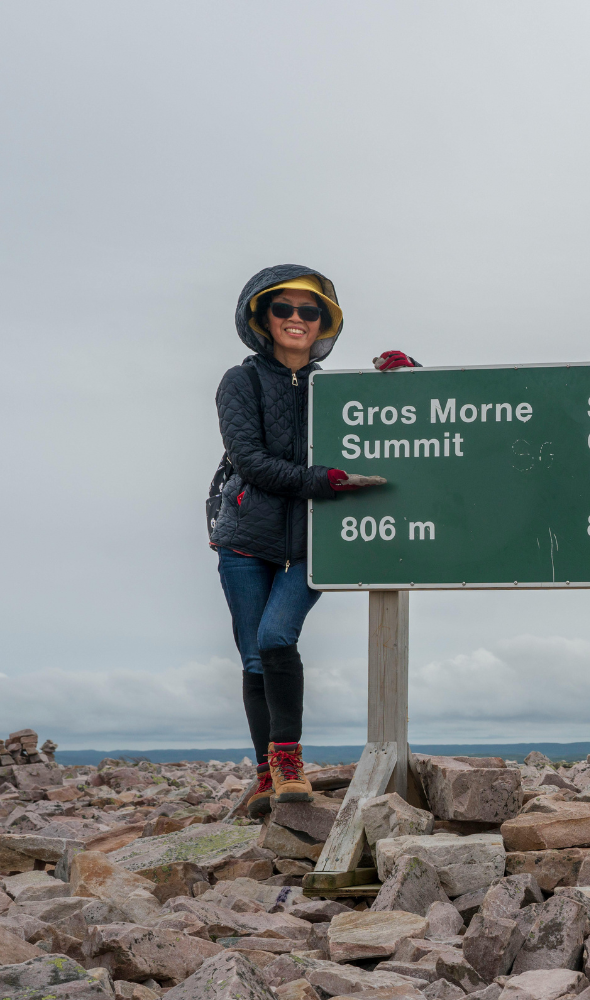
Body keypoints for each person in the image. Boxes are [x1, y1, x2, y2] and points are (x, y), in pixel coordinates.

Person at [211, 265, 417, 817]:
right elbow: (251, 462)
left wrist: (406, 383)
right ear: (262, 317)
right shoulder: (241, 380)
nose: (297, 319)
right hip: (246, 541)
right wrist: (320, 482)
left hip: (311, 544)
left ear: (324, 321)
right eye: (284, 309)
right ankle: (266, 776)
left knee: (277, 638)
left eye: (309, 310)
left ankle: (286, 761)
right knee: (255, 659)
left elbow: (387, 429)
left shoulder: (335, 388)